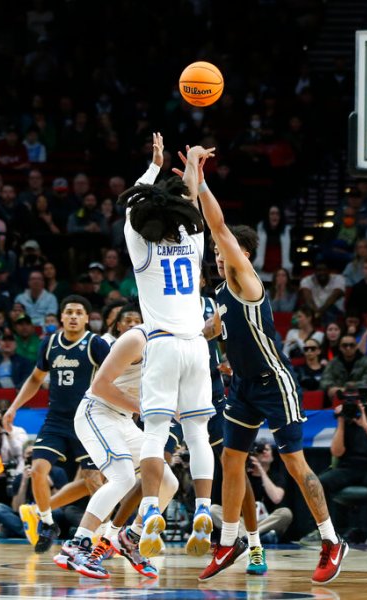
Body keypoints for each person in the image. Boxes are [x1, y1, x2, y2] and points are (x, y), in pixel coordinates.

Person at [195, 152, 348, 584]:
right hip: (243, 386)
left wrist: (200, 182)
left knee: (296, 466)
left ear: (241, 253)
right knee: (230, 457)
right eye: (215, 253)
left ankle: (331, 540)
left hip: (274, 382)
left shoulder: (248, 281)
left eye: (224, 251)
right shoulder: (222, 295)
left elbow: (219, 227)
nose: (217, 255)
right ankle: (229, 541)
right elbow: (210, 333)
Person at [117, 136, 217, 564]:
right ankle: (201, 509)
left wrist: (153, 167)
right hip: (197, 345)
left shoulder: (142, 246)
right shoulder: (193, 242)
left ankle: (150, 508)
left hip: (160, 344)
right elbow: (193, 205)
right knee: (197, 435)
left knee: (156, 433)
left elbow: (128, 209)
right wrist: (193, 164)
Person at [51, 320, 180, 579]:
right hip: (96, 411)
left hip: (123, 420)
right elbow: (100, 386)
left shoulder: (176, 345)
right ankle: (77, 545)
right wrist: (144, 408)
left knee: (168, 481)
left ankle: (130, 538)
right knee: (123, 476)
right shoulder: (137, 338)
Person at [3, 295, 109, 553]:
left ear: (87, 319)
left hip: (87, 419)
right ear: (61, 317)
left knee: (94, 482)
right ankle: (48, 523)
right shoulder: (49, 344)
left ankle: (105, 537)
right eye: (69, 312)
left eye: (78, 312)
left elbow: (115, 378)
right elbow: (35, 379)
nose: (73, 316)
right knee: (38, 468)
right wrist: (13, 407)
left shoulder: (95, 344)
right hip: (56, 420)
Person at [306, 389, 367, 548]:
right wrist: (341, 421)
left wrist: (365, 425)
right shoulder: (346, 423)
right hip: (347, 468)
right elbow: (336, 452)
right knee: (319, 482)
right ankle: (322, 531)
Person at [321, 334, 367, 406]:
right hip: (339, 396)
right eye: (345, 345)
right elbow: (325, 380)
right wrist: (331, 387)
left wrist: (352, 386)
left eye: (351, 345)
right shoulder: (333, 363)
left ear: (356, 347)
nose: (348, 348)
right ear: (340, 347)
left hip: (361, 397)